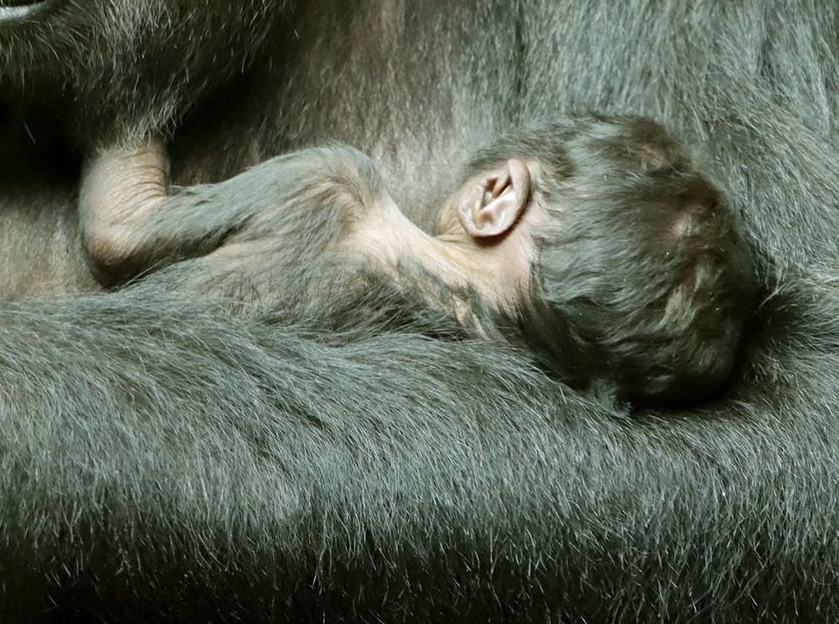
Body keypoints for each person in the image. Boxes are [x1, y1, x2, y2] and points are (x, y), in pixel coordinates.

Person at [82, 113, 759, 409]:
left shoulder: (330, 196)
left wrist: (130, 106)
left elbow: (118, 237)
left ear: (494, 197)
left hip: (113, 401)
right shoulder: (484, 411)